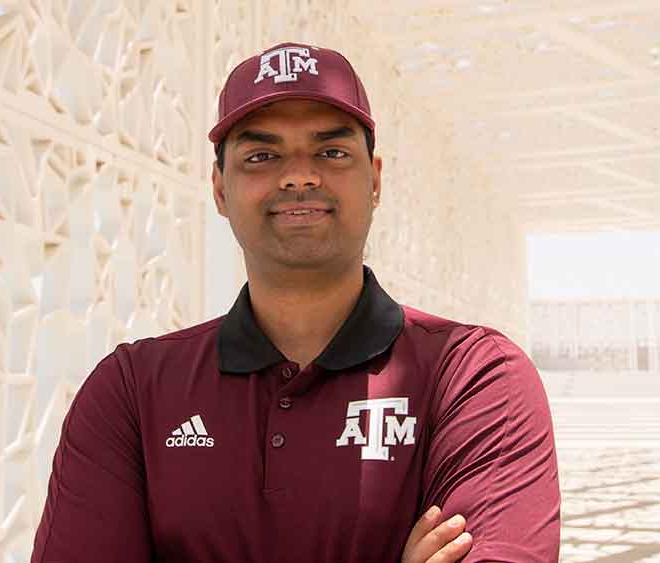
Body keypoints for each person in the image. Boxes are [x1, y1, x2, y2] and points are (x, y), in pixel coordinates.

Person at [30, 42, 560, 563]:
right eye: (262, 155)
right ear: (219, 189)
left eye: (331, 152)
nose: (299, 176)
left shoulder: (475, 378)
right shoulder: (131, 392)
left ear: (374, 180)